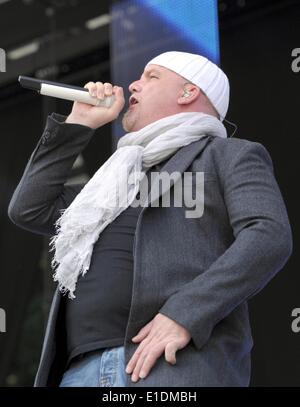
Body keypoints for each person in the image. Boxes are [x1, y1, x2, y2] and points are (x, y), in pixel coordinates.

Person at [8, 51, 292, 387]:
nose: (133, 84)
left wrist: (184, 314)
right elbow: (29, 208)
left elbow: (268, 235)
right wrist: (78, 124)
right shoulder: (110, 182)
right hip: (78, 371)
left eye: (151, 76)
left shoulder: (227, 155)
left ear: (188, 93)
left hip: (169, 367)